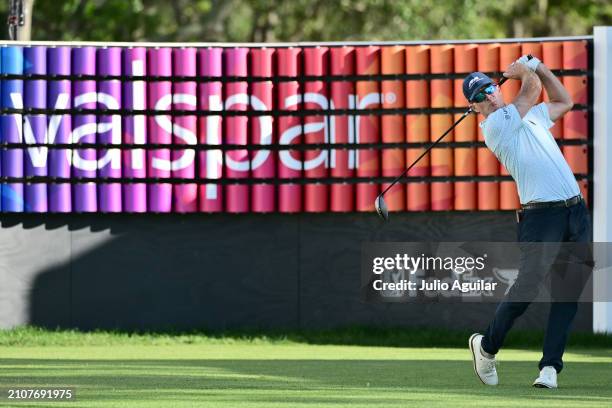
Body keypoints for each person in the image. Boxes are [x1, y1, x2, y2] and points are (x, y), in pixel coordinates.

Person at [462, 56, 591, 389]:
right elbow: (530, 91)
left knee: (568, 292)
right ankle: (486, 346)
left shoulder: (529, 117)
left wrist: (542, 68)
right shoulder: (495, 126)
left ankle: (549, 368)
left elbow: (564, 101)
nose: (488, 96)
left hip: (575, 211)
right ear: (475, 108)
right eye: (479, 96)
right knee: (527, 288)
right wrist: (526, 70)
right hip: (541, 216)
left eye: (490, 88)